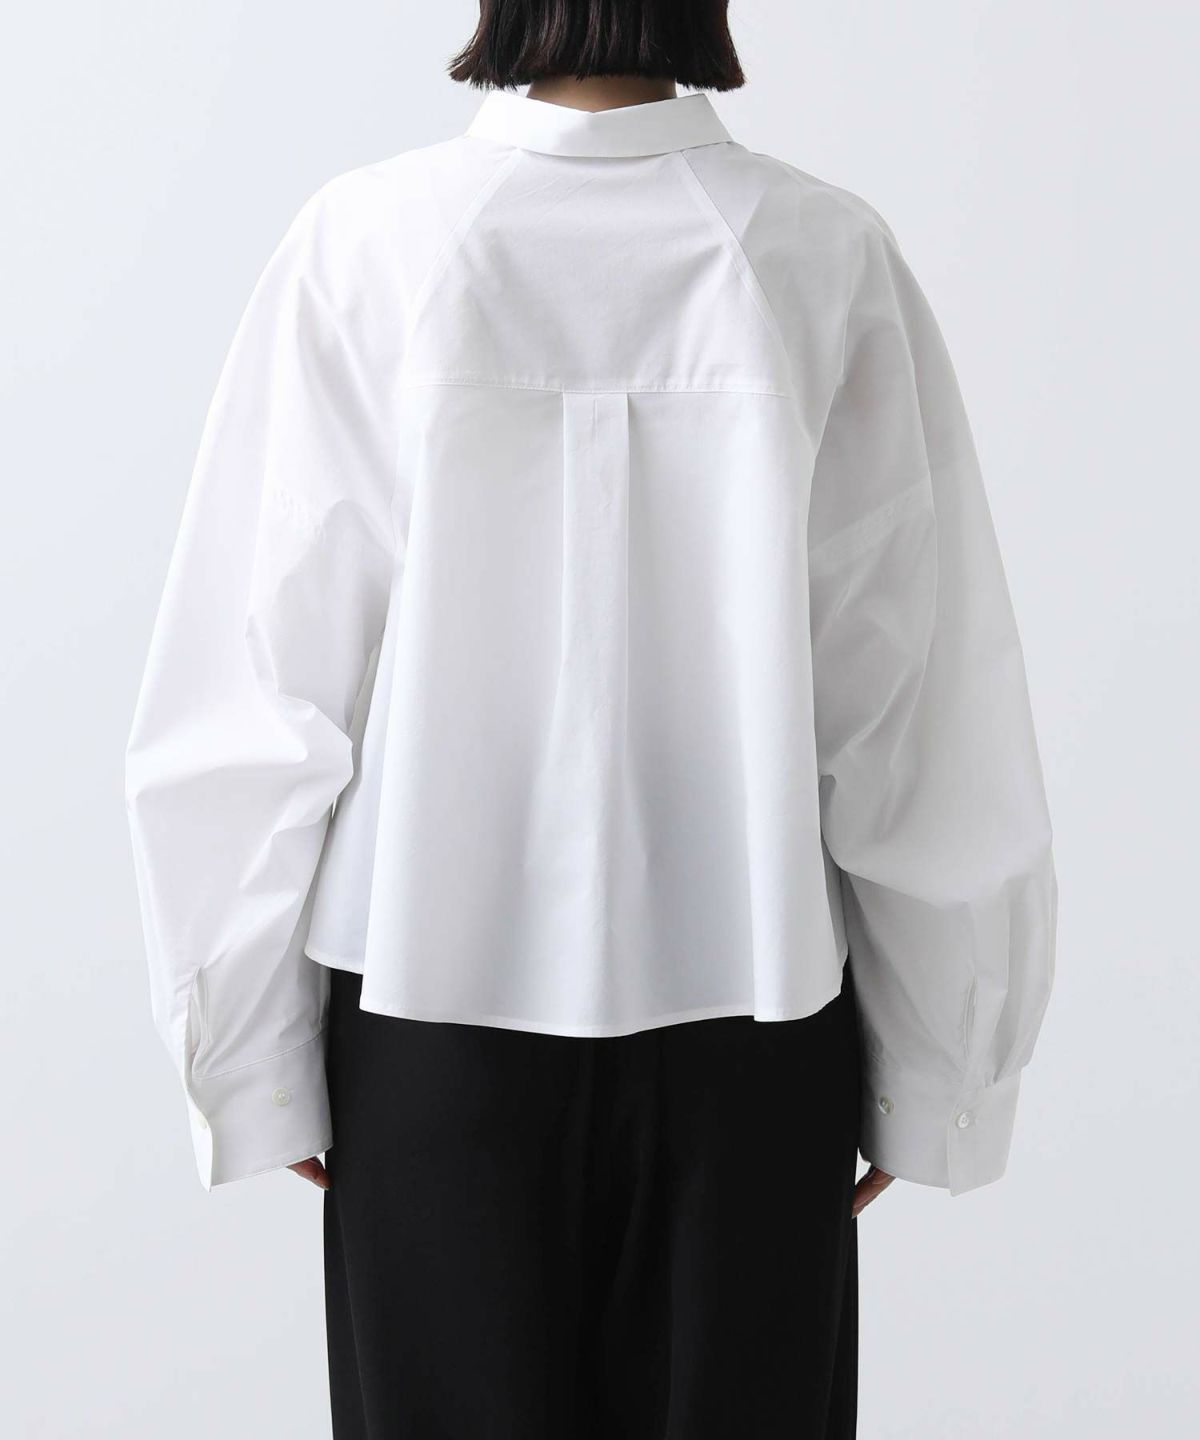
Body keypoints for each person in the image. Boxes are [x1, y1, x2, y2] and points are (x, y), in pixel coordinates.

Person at [124, 2, 1058, 1434]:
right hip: (754, 1021)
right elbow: (912, 702)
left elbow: (256, 687)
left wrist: (246, 1056)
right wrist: (939, 1064)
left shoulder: (371, 241)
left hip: (430, 1023)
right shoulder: (816, 251)